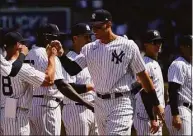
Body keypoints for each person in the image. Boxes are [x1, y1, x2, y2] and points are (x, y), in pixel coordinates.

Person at [58, 9, 164, 135]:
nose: (94, 31)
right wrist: (61, 54)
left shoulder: (128, 45)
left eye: (98, 27)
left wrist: (156, 103)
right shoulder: (90, 48)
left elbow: (144, 77)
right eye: (93, 27)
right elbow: (72, 69)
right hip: (99, 103)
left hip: (121, 101)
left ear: (108, 25)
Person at [27, 23, 94, 135]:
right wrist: (86, 103)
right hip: (47, 106)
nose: (58, 41)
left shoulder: (29, 53)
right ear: (46, 38)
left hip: (32, 105)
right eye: (55, 37)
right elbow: (62, 85)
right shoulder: (47, 54)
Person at [0, 31, 58, 135]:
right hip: (17, 113)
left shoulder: (3, 66)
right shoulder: (22, 68)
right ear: (18, 45)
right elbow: (49, 80)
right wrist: (52, 57)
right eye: (23, 43)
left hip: (6, 110)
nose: (25, 46)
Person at [62, 23, 98, 135]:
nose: (89, 40)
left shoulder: (89, 58)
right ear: (75, 38)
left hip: (94, 108)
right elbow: (66, 87)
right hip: (76, 110)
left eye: (90, 37)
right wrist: (89, 87)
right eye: (86, 37)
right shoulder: (68, 60)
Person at [133, 30, 165, 135]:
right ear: (146, 44)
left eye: (159, 42)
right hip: (146, 117)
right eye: (154, 42)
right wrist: (152, 118)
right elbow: (144, 91)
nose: (158, 45)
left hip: (154, 115)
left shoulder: (154, 62)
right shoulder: (145, 64)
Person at [165, 35, 192, 135]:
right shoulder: (178, 64)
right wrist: (175, 115)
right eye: (190, 46)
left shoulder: (189, 64)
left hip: (187, 109)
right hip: (180, 109)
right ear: (183, 47)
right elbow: (172, 90)